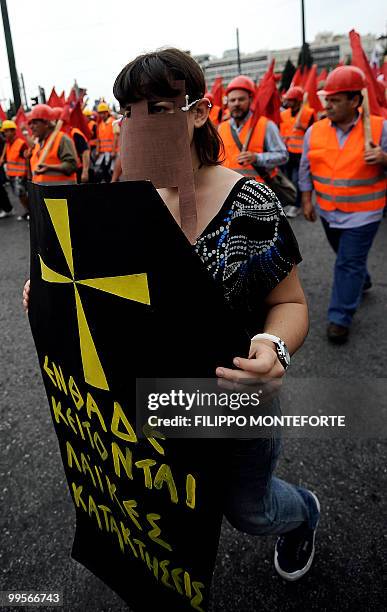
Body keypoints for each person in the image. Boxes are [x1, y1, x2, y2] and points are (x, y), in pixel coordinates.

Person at [23, 48, 320, 583]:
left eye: (158, 108)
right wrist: (48, 298)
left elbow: (290, 304)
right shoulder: (126, 201)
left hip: (231, 403)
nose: (141, 125)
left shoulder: (247, 201)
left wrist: (273, 349)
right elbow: (102, 292)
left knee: (250, 512)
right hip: (148, 403)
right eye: (128, 112)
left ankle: (305, 513)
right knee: (164, 514)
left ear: (198, 111)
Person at [300, 65, 387, 343]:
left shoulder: (380, 127)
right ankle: (363, 279)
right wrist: (306, 199)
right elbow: (306, 167)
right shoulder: (315, 131)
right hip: (329, 213)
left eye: (335, 100)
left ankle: (339, 318)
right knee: (349, 259)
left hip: (364, 215)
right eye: (328, 99)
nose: (328, 105)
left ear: (354, 101)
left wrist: (384, 158)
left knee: (347, 263)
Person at [218, 75, 288, 185]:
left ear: (250, 99)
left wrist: (257, 158)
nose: (236, 103)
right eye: (232, 100)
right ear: (228, 103)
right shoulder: (221, 128)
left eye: (241, 99)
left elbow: (283, 156)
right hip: (231, 191)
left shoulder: (266, 125)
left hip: (260, 193)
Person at [280, 86, 315, 218]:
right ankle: (290, 202)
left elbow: (314, 133)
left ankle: (297, 205)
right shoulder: (284, 113)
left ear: (298, 101)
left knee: (297, 180)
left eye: (291, 100)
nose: (288, 102)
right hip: (287, 152)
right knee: (288, 181)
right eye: (287, 100)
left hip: (301, 154)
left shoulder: (309, 113)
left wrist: (303, 127)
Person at [28, 104, 78, 184]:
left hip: (61, 194)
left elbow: (72, 165)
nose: (31, 127)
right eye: (30, 123)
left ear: (46, 123)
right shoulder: (39, 144)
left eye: (35, 123)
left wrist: (50, 168)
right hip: (43, 193)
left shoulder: (62, 139)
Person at [0, 119, 30, 220]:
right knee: (20, 196)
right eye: (4, 131)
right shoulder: (7, 144)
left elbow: (27, 159)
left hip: (21, 175)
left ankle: (30, 212)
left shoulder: (21, 143)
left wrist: (27, 173)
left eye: (7, 131)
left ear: (13, 131)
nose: (4, 133)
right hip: (13, 175)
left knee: (23, 195)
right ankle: (27, 212)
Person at [94, 102, 118, 183]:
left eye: (103, 113)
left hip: (112, 153)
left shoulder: (113, 122)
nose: (102, 115)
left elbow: (116, 137)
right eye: (100, 113)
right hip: (103, 154)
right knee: (103, 173)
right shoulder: (100, 125)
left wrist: (114, 151)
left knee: (113, 172)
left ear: (107, 113)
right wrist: (97, 151)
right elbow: (98, 139)